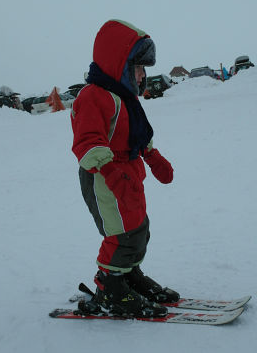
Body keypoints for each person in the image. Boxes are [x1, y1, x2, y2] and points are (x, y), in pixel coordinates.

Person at [71, 19, 179, 318]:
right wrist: (110, 172)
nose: (143, 76)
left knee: (139, 227)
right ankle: (110, 288)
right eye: (139, 67)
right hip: (104, 175)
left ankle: (128, 275)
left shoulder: (126, 99)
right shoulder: (93, 95)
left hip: (129, 173)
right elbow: (87, 141)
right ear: (119, 63)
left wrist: (152, 155)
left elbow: (135, 133)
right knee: (122, 233)